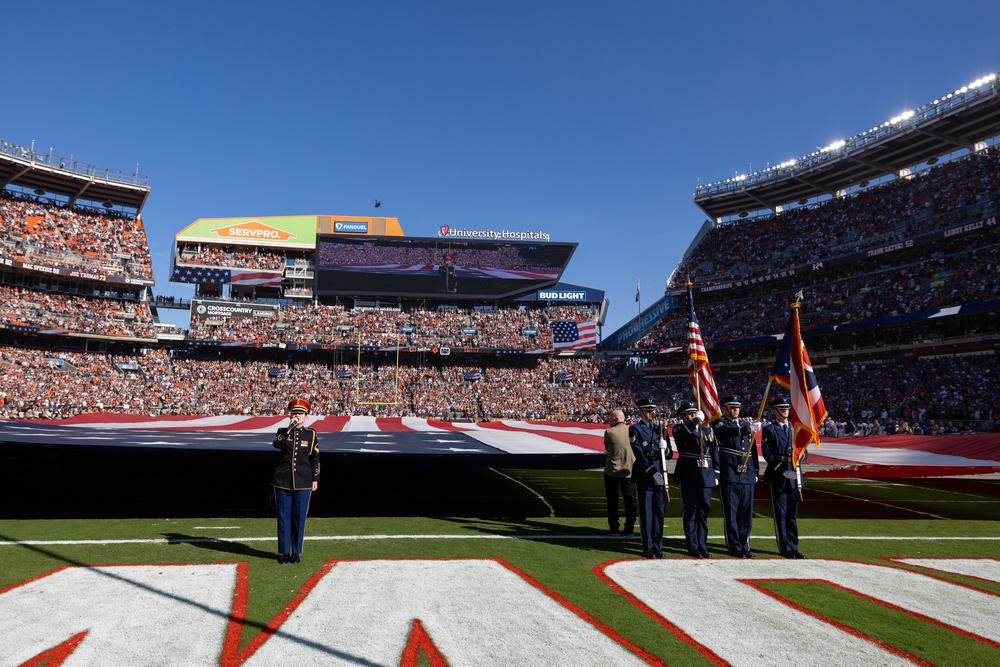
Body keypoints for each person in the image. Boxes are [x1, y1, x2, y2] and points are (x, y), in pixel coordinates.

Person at [272, 397, 321, 564]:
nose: (297, 415)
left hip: (303, 481)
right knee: (283, 516)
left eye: (300, 413)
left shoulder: (311, 434)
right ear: (289, 415)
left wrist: (315, 478)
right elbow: (276, 445)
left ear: (306, 417)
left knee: (299, 517)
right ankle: (284, 552)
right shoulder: (282, 431)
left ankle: (296, 552)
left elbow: (315, 458)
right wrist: (288, 428)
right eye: (294, 413)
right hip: (283, 480)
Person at [712, 394, 761, 558]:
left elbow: (752, 449)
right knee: (732, 512)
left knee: (746, 512)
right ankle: (734, 546)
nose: (735, 410)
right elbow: (726, 432)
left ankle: (744, 544)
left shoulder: (746, 424)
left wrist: (755, 471)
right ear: (724, 408)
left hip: (746, 473)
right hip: (730, 472)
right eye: (732, 407)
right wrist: (746, 430)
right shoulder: (720, 423)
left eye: (737, 407)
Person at [672, 401, 719, 559]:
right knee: (690, 511)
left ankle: (702, 545)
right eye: (690, 414)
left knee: (704, 510)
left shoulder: (707, 430)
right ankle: (693, 546)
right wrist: (694, 422)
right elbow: (680, 436)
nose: (694, 416)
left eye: (694, 413)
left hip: (706, 474)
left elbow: (714, 452)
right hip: (689, 473)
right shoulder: (680, 428)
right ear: (683, 416)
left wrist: (717, 473)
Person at [761, 395, 805, 559]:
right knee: (781, 513)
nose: (786, 411)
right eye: (782, 409)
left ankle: (794, 547)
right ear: (775, 411)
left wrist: (800, 458)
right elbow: (768, 454)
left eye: (787, 408)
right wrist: (782, 471)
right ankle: (784, 547)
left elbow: (804, 450)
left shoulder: (796, 428)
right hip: (779, 475)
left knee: (792, 515)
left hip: (794, 473)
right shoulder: (770, 429)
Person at [629, 397, 673, 559]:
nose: (651, 413)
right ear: (640, 411)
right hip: (646, 475)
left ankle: (657, 546)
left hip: (661, 475)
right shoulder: (635, 429)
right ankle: (647, 547)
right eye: (648, 410)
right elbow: (639, 454)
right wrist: (652, 472)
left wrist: (666, 448)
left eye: (653, 410)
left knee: (659, 512)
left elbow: (669, 455)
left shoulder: (660, 429)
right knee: (647, 512)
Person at [603, 408, 636, 537]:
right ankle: (629, 529)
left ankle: (614, 528)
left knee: (612, 501)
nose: (608, 420)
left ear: (616, 419)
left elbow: (607, 447)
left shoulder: (609, 432)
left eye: (610, 418)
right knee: (630, 502)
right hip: (629, 471)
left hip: (613, 471)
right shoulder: (632, 430)